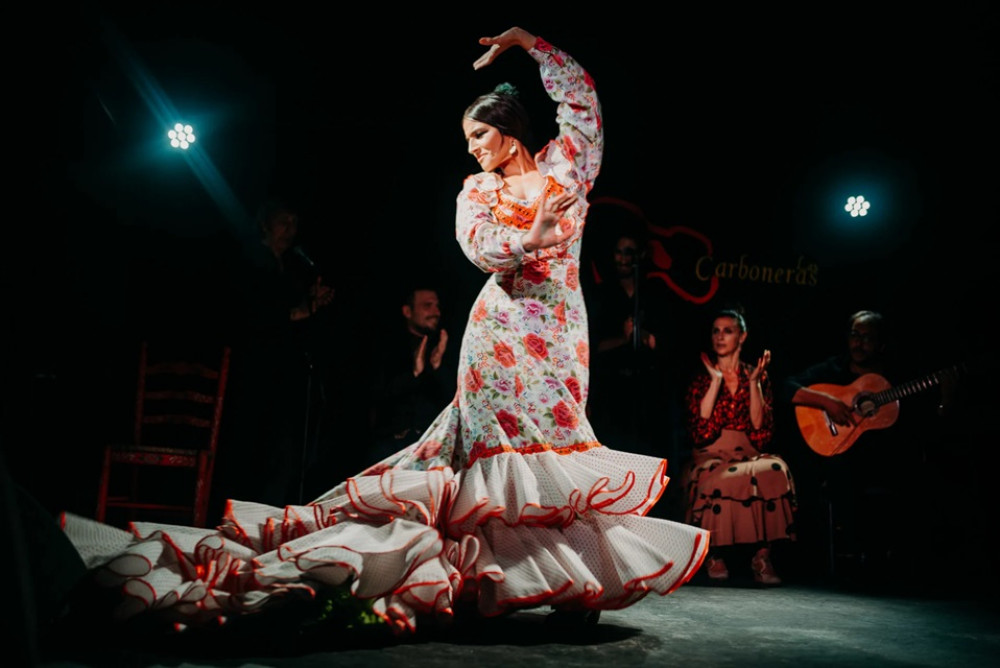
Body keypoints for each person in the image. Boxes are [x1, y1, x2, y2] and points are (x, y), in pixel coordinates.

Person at [58, 27, 708, 636]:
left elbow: (584, 103)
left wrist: (530, 44)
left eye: (480, 138)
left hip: (562, 337)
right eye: (469, 142)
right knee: (497, 468)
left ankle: (567, 586)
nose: (474, 151)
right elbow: (480, 248)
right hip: (501, 336)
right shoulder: (476, 193)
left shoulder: (569, 166)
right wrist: (527, 236)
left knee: (555, 462)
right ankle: (487, 581)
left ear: (509, 136)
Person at [780, 309, 957, 585]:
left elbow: (929, 422)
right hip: (841, 460)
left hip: (884, 460)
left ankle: (902, 561)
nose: (859, 343)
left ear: (881, 344)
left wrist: (946, 398)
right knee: (836, 471)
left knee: (916, 472)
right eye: (854, 335)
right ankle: (849, 554)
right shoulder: (834, 368)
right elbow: (786, 386)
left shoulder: (895, 378)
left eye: (867, 337)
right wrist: (828, 402)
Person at [214, 197, 335, 513]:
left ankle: (266, 519)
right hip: (253, 372)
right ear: (265, 224)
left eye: (295, 224)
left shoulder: (290, 267)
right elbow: (254, 314)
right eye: (284, 222)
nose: (290, 230)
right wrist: (300, 310)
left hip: (281, 374)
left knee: (284, 454)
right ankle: (238, 517)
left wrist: (313, 302)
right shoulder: (252, 259)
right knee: (254, 450)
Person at [681, 307, 796, 585]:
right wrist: (716, 381)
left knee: (775, 468)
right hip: (712, 455)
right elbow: (700, 431)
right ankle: (713, 555)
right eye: (716, 331)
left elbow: (760, 433)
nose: (720, 337)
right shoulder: (701, 378)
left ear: (742, 337)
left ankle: (762, 558)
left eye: (728, 331)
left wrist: (755, 382)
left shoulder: (754, 374)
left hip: (747, 454)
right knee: (715, 476)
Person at [585, 231, 672, 459]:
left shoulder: (654, 294)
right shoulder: (602, 295)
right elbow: (591, 347)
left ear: (640, 255)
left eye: (629, 252)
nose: (623, 259)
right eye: (618, 252)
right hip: (610, 393)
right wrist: (624, 339)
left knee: (642, 455)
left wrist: (646, 338)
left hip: (645, 394)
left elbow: (669, 343)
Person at [368, 285, 456, 462]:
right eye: (427, 305)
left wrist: (437, 366)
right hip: (391, 449)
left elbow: (455, 399)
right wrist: (414, 374)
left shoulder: (444, 347)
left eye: (437, 306)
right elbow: (376, 395)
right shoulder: (386, 347)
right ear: (408, 311)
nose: (435, 312)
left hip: (430, 450)